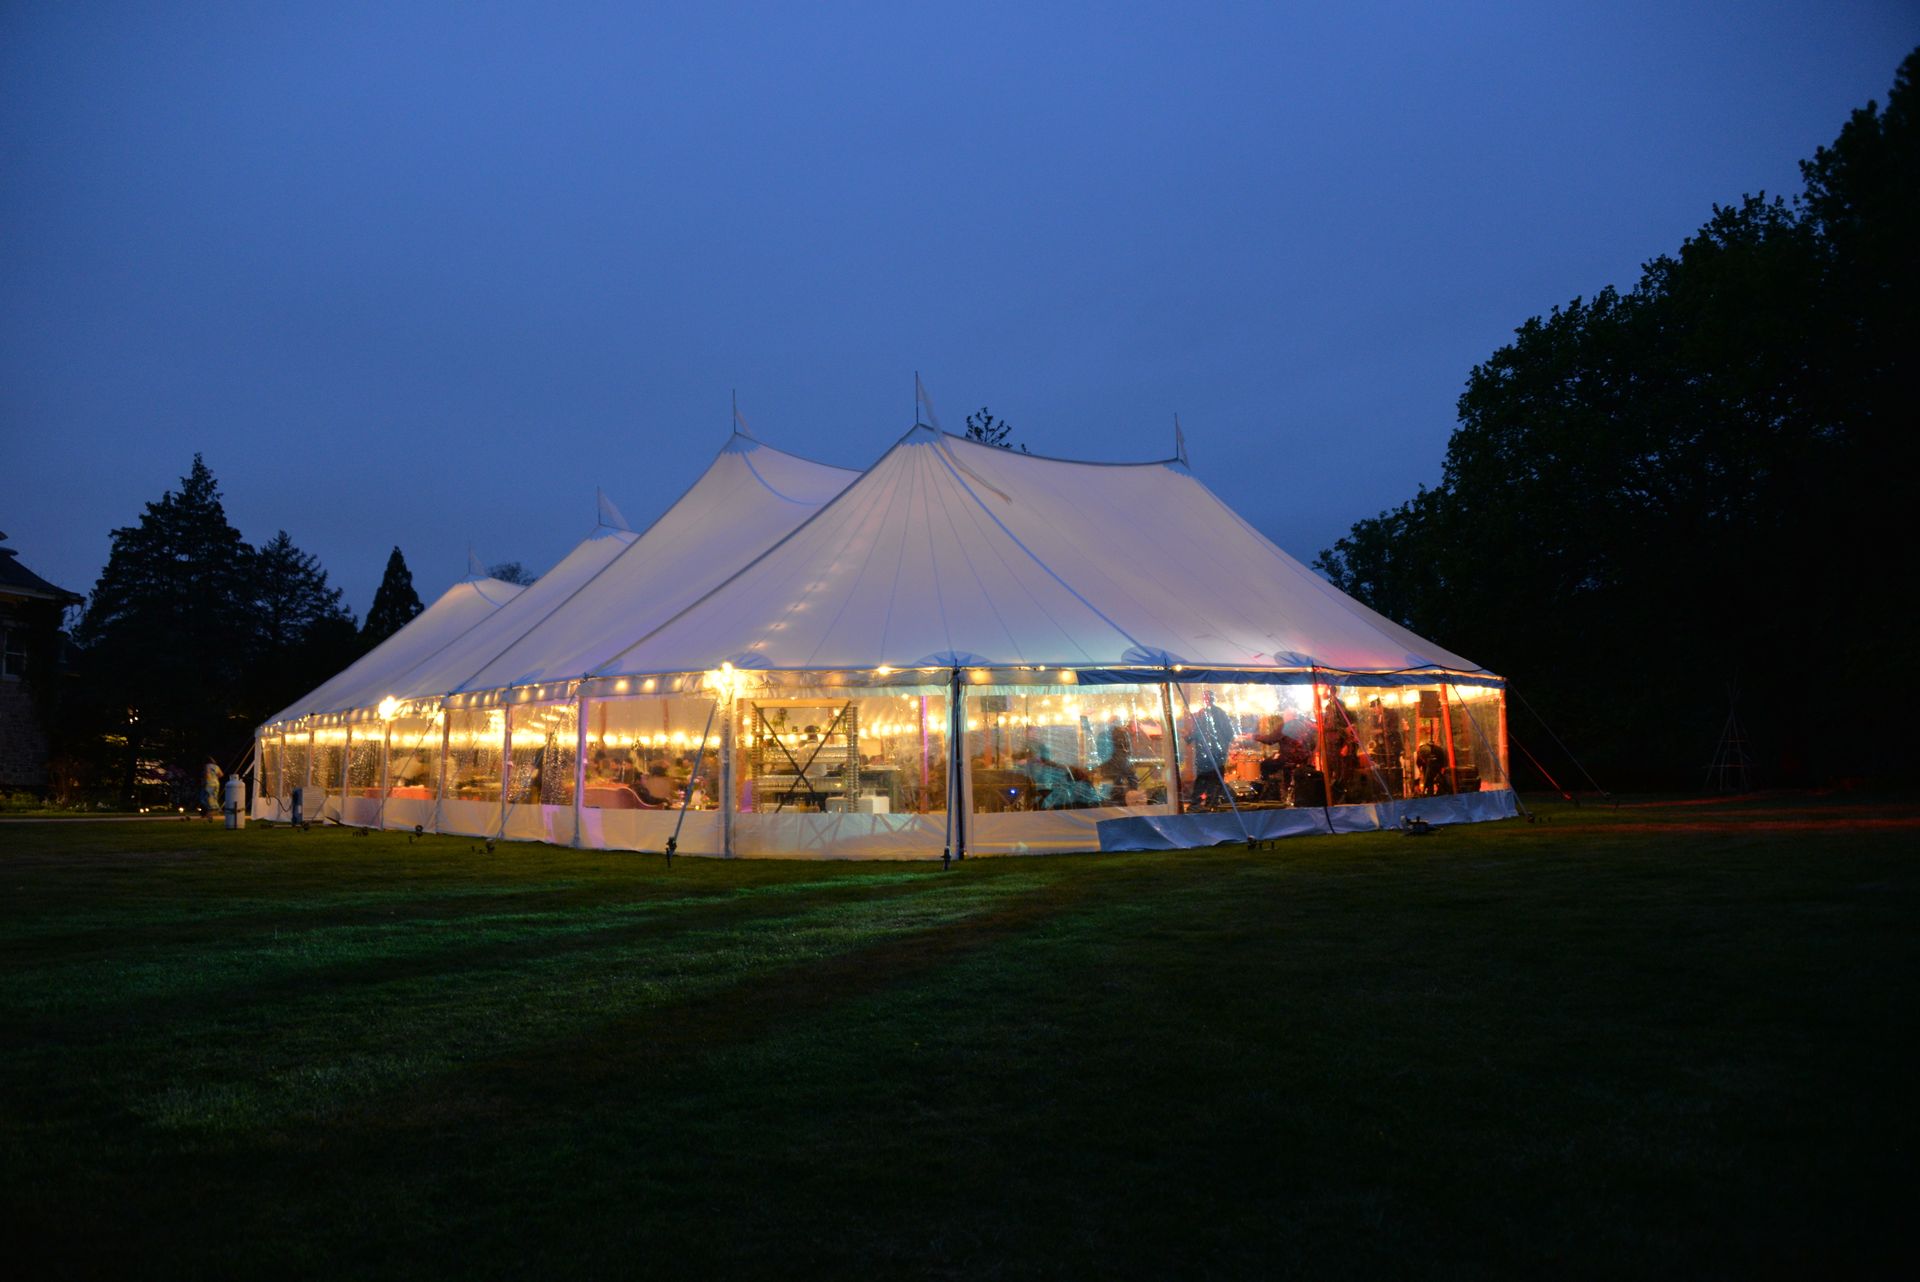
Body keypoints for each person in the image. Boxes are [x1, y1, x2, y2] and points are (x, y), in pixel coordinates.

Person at [1184, 690, 1236, 809]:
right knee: (1215, 780)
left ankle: (1196, 804)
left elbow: (1196, 733)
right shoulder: (1220, 713)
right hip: (1217, 754)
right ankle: (1212, 802)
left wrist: (1188, 737)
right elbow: (1229, 733)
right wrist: (1223, 746)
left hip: (1205, 755)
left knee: (1203, 779)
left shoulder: (1201, 714)